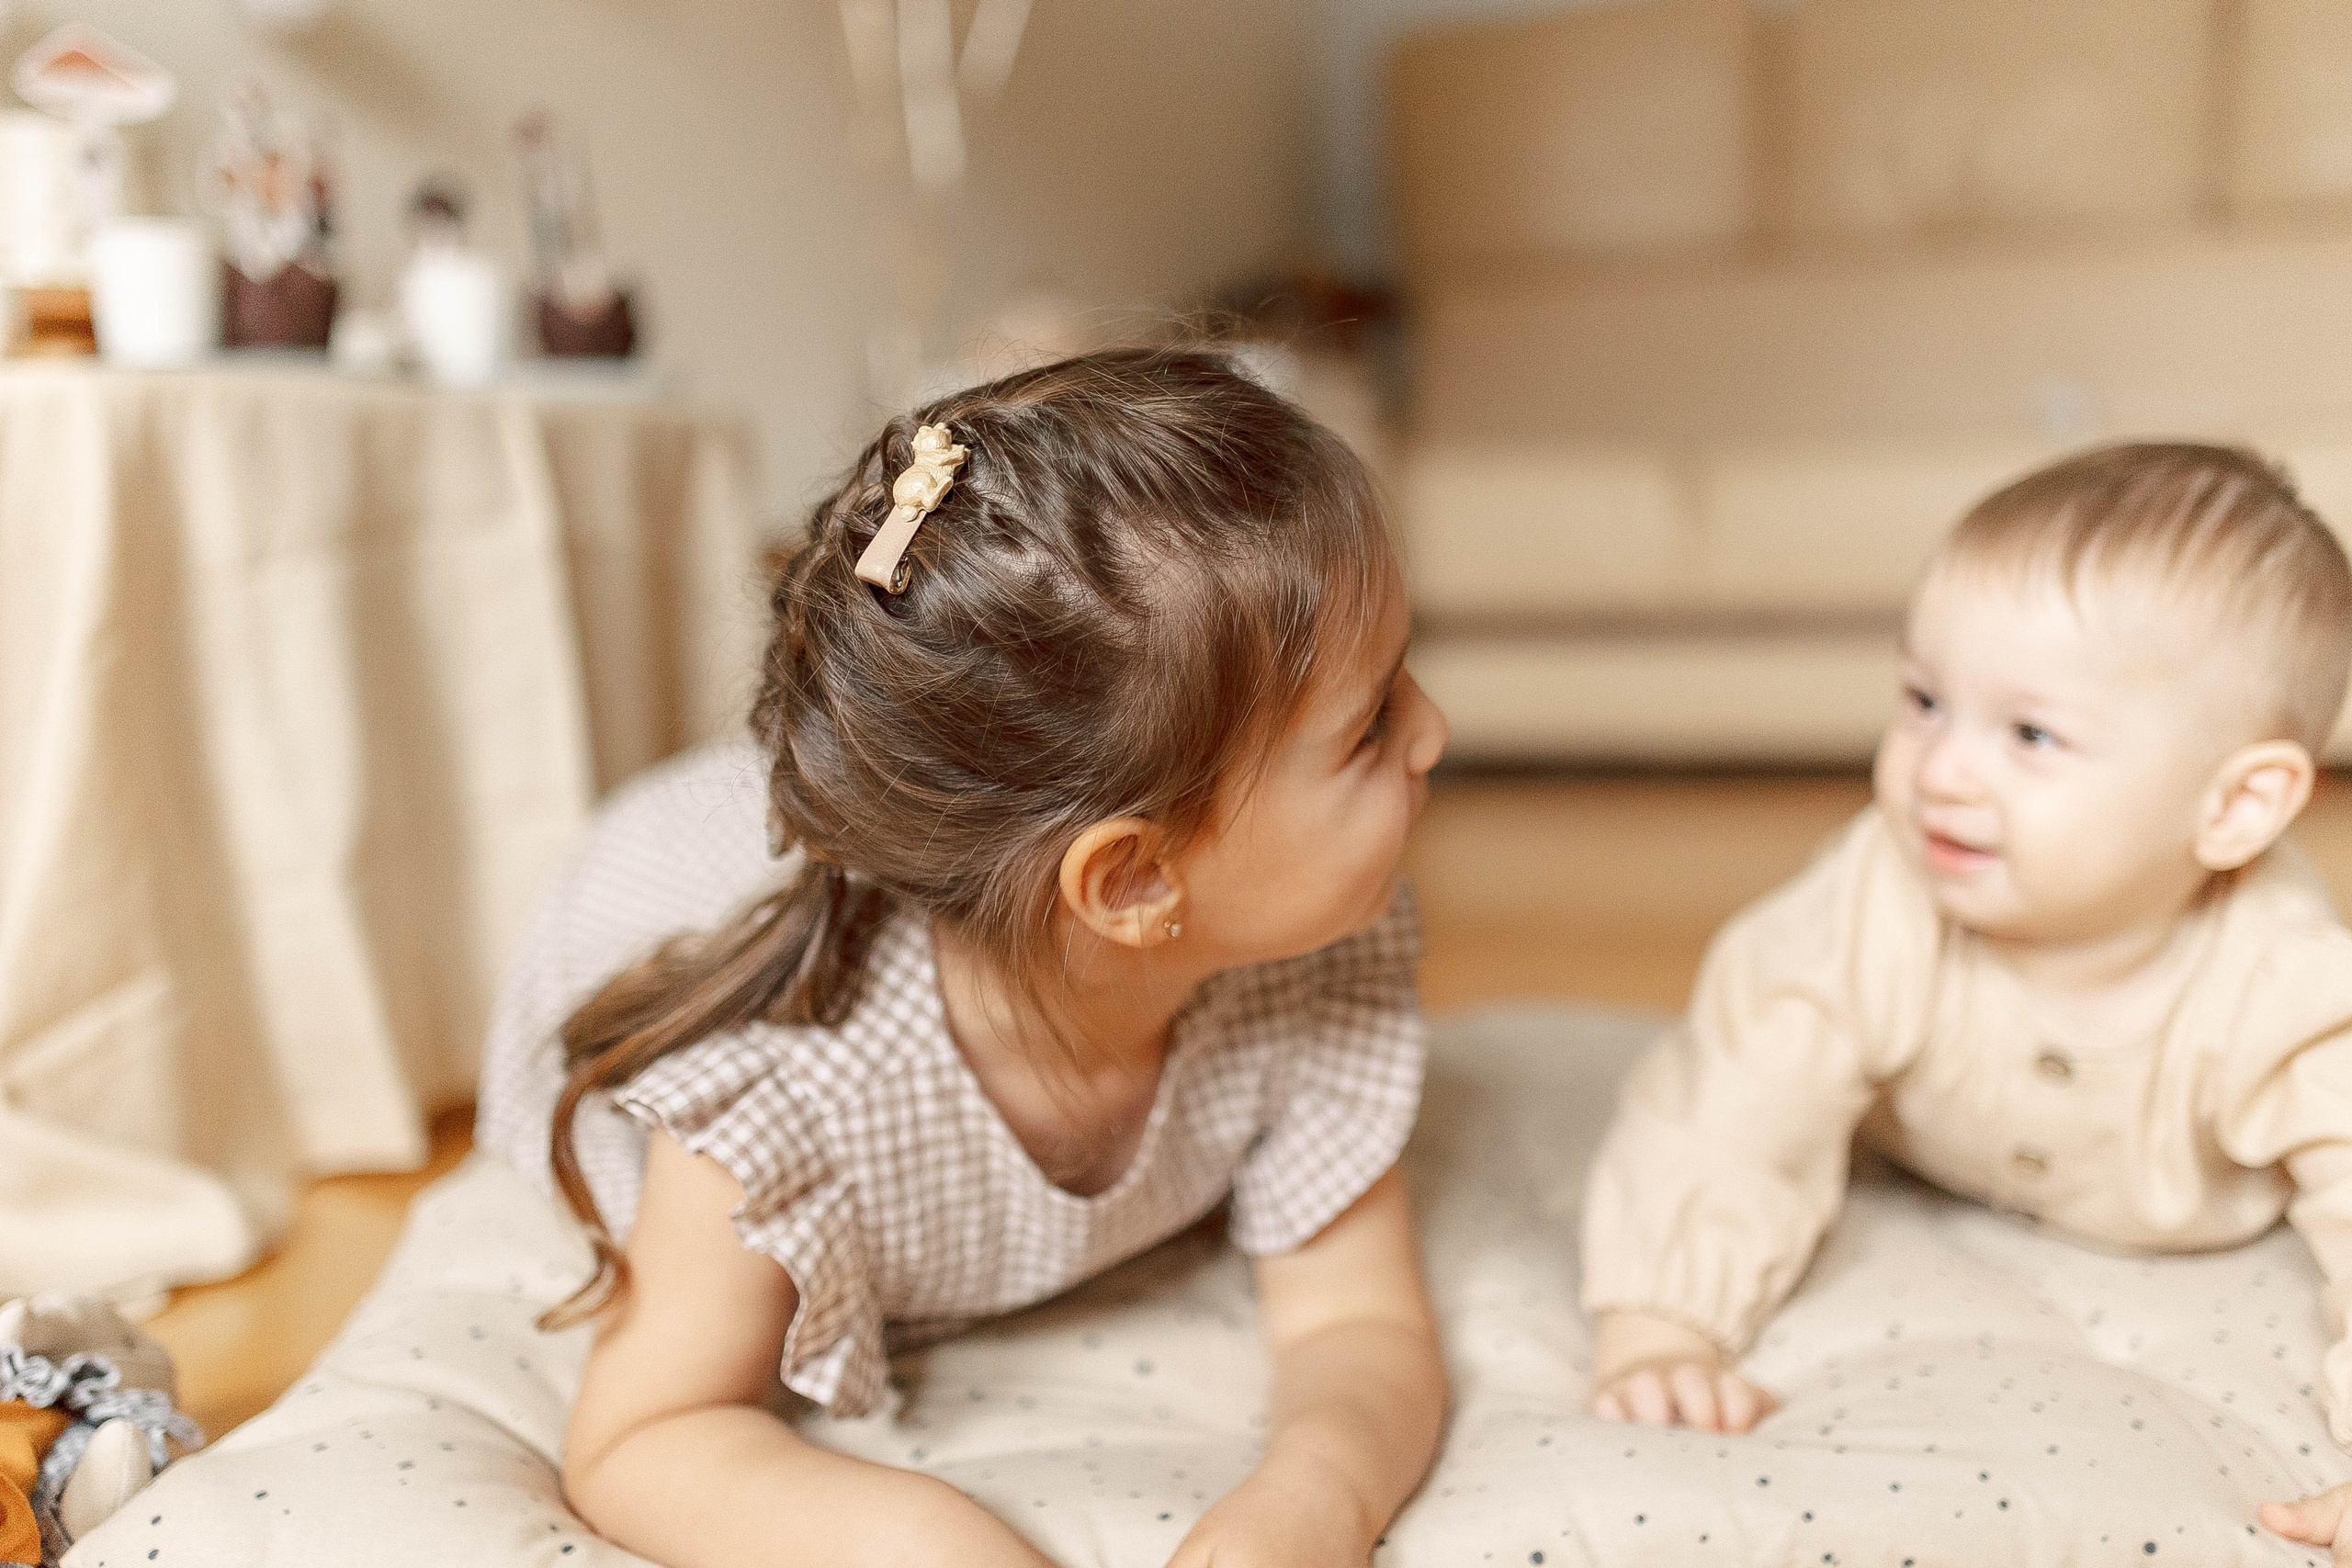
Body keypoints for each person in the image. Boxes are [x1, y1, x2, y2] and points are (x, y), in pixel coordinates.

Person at [476, 348, 1451, 1567]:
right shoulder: (776, 1098)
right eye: (1371, 726)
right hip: (669, 874)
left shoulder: (1307, 967)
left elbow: (1358, 1322)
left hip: (963, 852)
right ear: (1134, 881)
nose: (1435, 730)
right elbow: (643, 1435)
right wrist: (937, 1544)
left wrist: (1313, 1497)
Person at [1572, 442, 2352, 1553]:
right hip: (1911, 1157)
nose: (1938, 771)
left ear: (2234, 808)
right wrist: (1662, 1320)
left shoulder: (2284, 984)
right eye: (1924, 700)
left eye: (2029, 734)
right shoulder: (1878, 897)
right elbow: (1737, 1087)